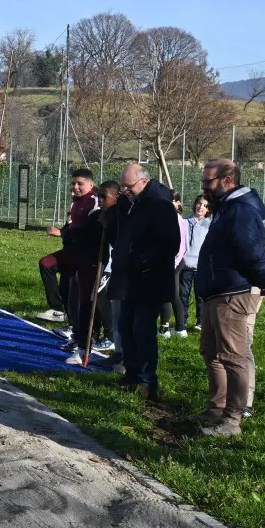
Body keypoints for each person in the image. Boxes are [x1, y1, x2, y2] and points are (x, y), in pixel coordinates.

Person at [193, 159, 265, 436]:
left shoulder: (240, 210)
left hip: (232, 293)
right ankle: (216, 408)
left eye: (208, 182)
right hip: (216, 292)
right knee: (211, 352)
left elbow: (252, 252)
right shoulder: (225, 208)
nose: (204, 187)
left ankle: (232, 419)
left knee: (233, 356)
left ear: (227, 180)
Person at [108, 162, 181, 401]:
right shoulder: (129, 204)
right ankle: (132, 374)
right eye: (123, 187)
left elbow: (170, 243)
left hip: (150, 280)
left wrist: (143, 261)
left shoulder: (160, 205)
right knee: (126, 328)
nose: (125, 191)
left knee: (143, 331)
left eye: (129, 186)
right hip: (128, 278)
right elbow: (120, 234)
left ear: (144, 181)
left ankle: (149, 381)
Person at [35, 169, 101, 324]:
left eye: (80, 184)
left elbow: (91, 229)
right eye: (73, 183)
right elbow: (72, 227)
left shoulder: (94, 201)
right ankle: (59, 311)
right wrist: (64, 232)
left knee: (75, 289)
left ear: (91, 185)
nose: (75, 187)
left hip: (84, 253)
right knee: (54, 272)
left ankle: (81, 326)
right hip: (71, 250)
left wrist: (65, 233)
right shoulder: (76, 202)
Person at [93, 181, 123, 365]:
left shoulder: (119, 215)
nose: (100, 200)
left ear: (115, 197)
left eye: (104, 196)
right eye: (99, 196)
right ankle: (103, 336)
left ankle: (111, 338)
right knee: (98, 299)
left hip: (113, 267)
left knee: (104, 299)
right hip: (104, 264)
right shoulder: (100, 215)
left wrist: (107, 225)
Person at [178, 194, 211, 335]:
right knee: (183, 295)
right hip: (185, 265)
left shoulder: (209, 224)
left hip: (201, 266)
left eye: (205, 205)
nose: (201, 207)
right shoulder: (184, 222)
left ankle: (201, 322)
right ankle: (182, 321)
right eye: (199, 203)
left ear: (208, 209)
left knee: (200, 295)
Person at [158, 193, 189, 339]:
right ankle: (172, 326)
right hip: (166, 261)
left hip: (174, 262)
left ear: (178, 203)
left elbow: (181, 246)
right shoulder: (165, 217)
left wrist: (172, 264)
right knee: (168, 293)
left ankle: (173, 327)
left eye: (171, 201)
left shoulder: (176, 219)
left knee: (170, 293)